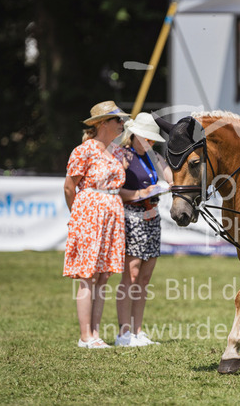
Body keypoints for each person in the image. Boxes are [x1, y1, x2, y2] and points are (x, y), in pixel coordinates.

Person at [62, 101, 151, 349]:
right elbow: (69, 187)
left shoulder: (116, 152)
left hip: (112, 215)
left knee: (102, 277)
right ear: (103, 123)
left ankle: (95, 334)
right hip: (90, 214)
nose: (122, 124)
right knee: (88, 276)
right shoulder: (84, 151)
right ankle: (85, 336)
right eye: (118, 120)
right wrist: (78, 215)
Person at [116, 112, 173, 347]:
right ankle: (124, 333)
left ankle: (138, 331)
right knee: (130, 275)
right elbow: (115, 190)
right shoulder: (124, 156)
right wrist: (141, 193)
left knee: (145, 277)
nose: (149, 143)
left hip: (152, 218)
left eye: (152, 140)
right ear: (134, 135)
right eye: (146, 138)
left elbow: (171, 178)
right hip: (132, 217)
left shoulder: (153, 156)